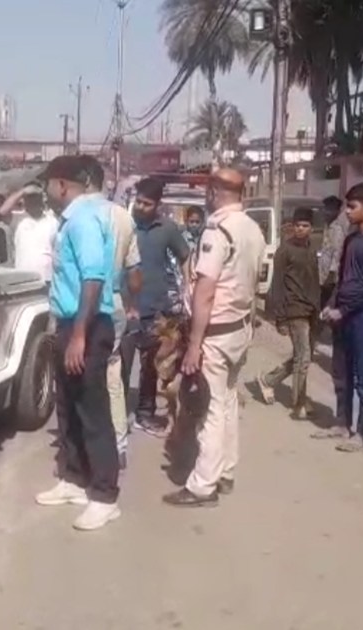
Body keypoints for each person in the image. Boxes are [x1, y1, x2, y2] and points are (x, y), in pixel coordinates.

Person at [163, 168, 266, 507]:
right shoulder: (253, 229)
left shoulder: (218, 231)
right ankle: (225, 472)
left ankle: (202, 486)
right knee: (227, 402)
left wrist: (194, 345)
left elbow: (205, 291)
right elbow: (253, 284)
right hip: (239, 328)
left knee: (207, 406)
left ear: (213, 193)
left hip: (215, 333)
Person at [33, 155, 122, 532]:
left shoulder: (84, 220)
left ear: (63, 184)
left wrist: (80, 336)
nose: (45, 191)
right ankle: (72, 478)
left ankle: (104, 495)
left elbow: (93, 279)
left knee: (93, 411)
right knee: (67, 406)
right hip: (69, 323)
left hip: (86, 325)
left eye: (47, 183)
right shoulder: (71, 220)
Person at [76, 155, 142, 470]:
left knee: (85, 380)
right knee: (112, 377)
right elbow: (135, 272)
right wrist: (130, 305)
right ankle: (118, 444)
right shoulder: (124, 218)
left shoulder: (81, 216)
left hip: (86, 306)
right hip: (114, 303)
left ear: (85, 182)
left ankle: (89, 451)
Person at [317, 183, 363, 453]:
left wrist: (345, 310)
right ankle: (342, 422)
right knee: (341, 372)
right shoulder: (351, 239)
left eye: (352, 206)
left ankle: (362, 433)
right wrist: (332, 303)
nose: (347, 211)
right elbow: (343, 278)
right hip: (342, 315)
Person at [123, 177, 191, 437]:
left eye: (147, 203)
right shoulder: (124, 224)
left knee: (152, 366)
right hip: (126, 307)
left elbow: (185, 256)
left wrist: (187, 288)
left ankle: (144, 414)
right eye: (138, 201)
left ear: (157, 205)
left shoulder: (167, 229)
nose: (140, 207)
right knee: (121, 365)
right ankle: (117, 415)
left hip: (156, 310)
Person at [258, 206, 321, 419]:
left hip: (311, 309)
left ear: (311, 228)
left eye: (305, 226)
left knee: (302, 356)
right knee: (302, 358)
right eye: (298, 225)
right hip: (294, 309)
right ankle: (299, 403)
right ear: (292, 227)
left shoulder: (312, 249)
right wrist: (280, 318)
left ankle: (269, 380)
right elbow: (277, 285)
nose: (301, 229)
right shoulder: (284, 251)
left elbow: (314, 282)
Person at [0, 184, 59, 282]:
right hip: (22, 278)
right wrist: (23, 191)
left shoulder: (52, 221)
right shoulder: (18, 219)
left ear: (42, 199)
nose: (34, 202)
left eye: (36, 198)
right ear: (24, 200)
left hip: (47, 278)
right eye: (30, 198)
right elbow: (2, 211)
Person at [317, 195, 348, 310]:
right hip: (323, 274)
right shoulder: (327, 226)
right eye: (325, 209)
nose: (326, 212)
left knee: (327, 306)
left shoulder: (337, 230)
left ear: (337, 211)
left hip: (330, 278)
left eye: (329, 209)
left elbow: (337, 253)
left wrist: (331, 275)